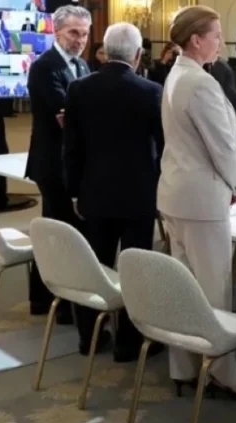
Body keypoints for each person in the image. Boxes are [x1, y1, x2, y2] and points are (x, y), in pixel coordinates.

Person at [157, 5, 236, 401]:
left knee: (184, 288)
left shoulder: (176, 73)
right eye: (216, 35)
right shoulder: (200, 83)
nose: (222, 41)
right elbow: (221, 145)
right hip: (201, 200)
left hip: (175, 193)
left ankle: (184, 367)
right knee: (213, 291)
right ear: (196, 40)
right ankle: (222, 375)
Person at [62, 22, 165, 362]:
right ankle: (129, 343)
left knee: (96, 267)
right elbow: (164, 149)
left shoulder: (78, 89)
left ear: (104, 52)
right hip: (139, 195)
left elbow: (71, 147)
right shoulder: (151, 91)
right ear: (138, 55)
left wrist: (74, 192)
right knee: (136, 270)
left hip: (94, 192)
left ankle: (89, 337)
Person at [24, 4, 90, 333]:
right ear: (56, 31)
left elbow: (80, 114)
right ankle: (58, 303)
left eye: (85, 34)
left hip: (71, 162)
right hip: (51, 163)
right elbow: (65, 113)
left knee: (61, 231)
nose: (80, 40)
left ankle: (48, 298)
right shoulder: (44, 67)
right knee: (59, 234)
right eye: (73, 33)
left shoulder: (82, 65)